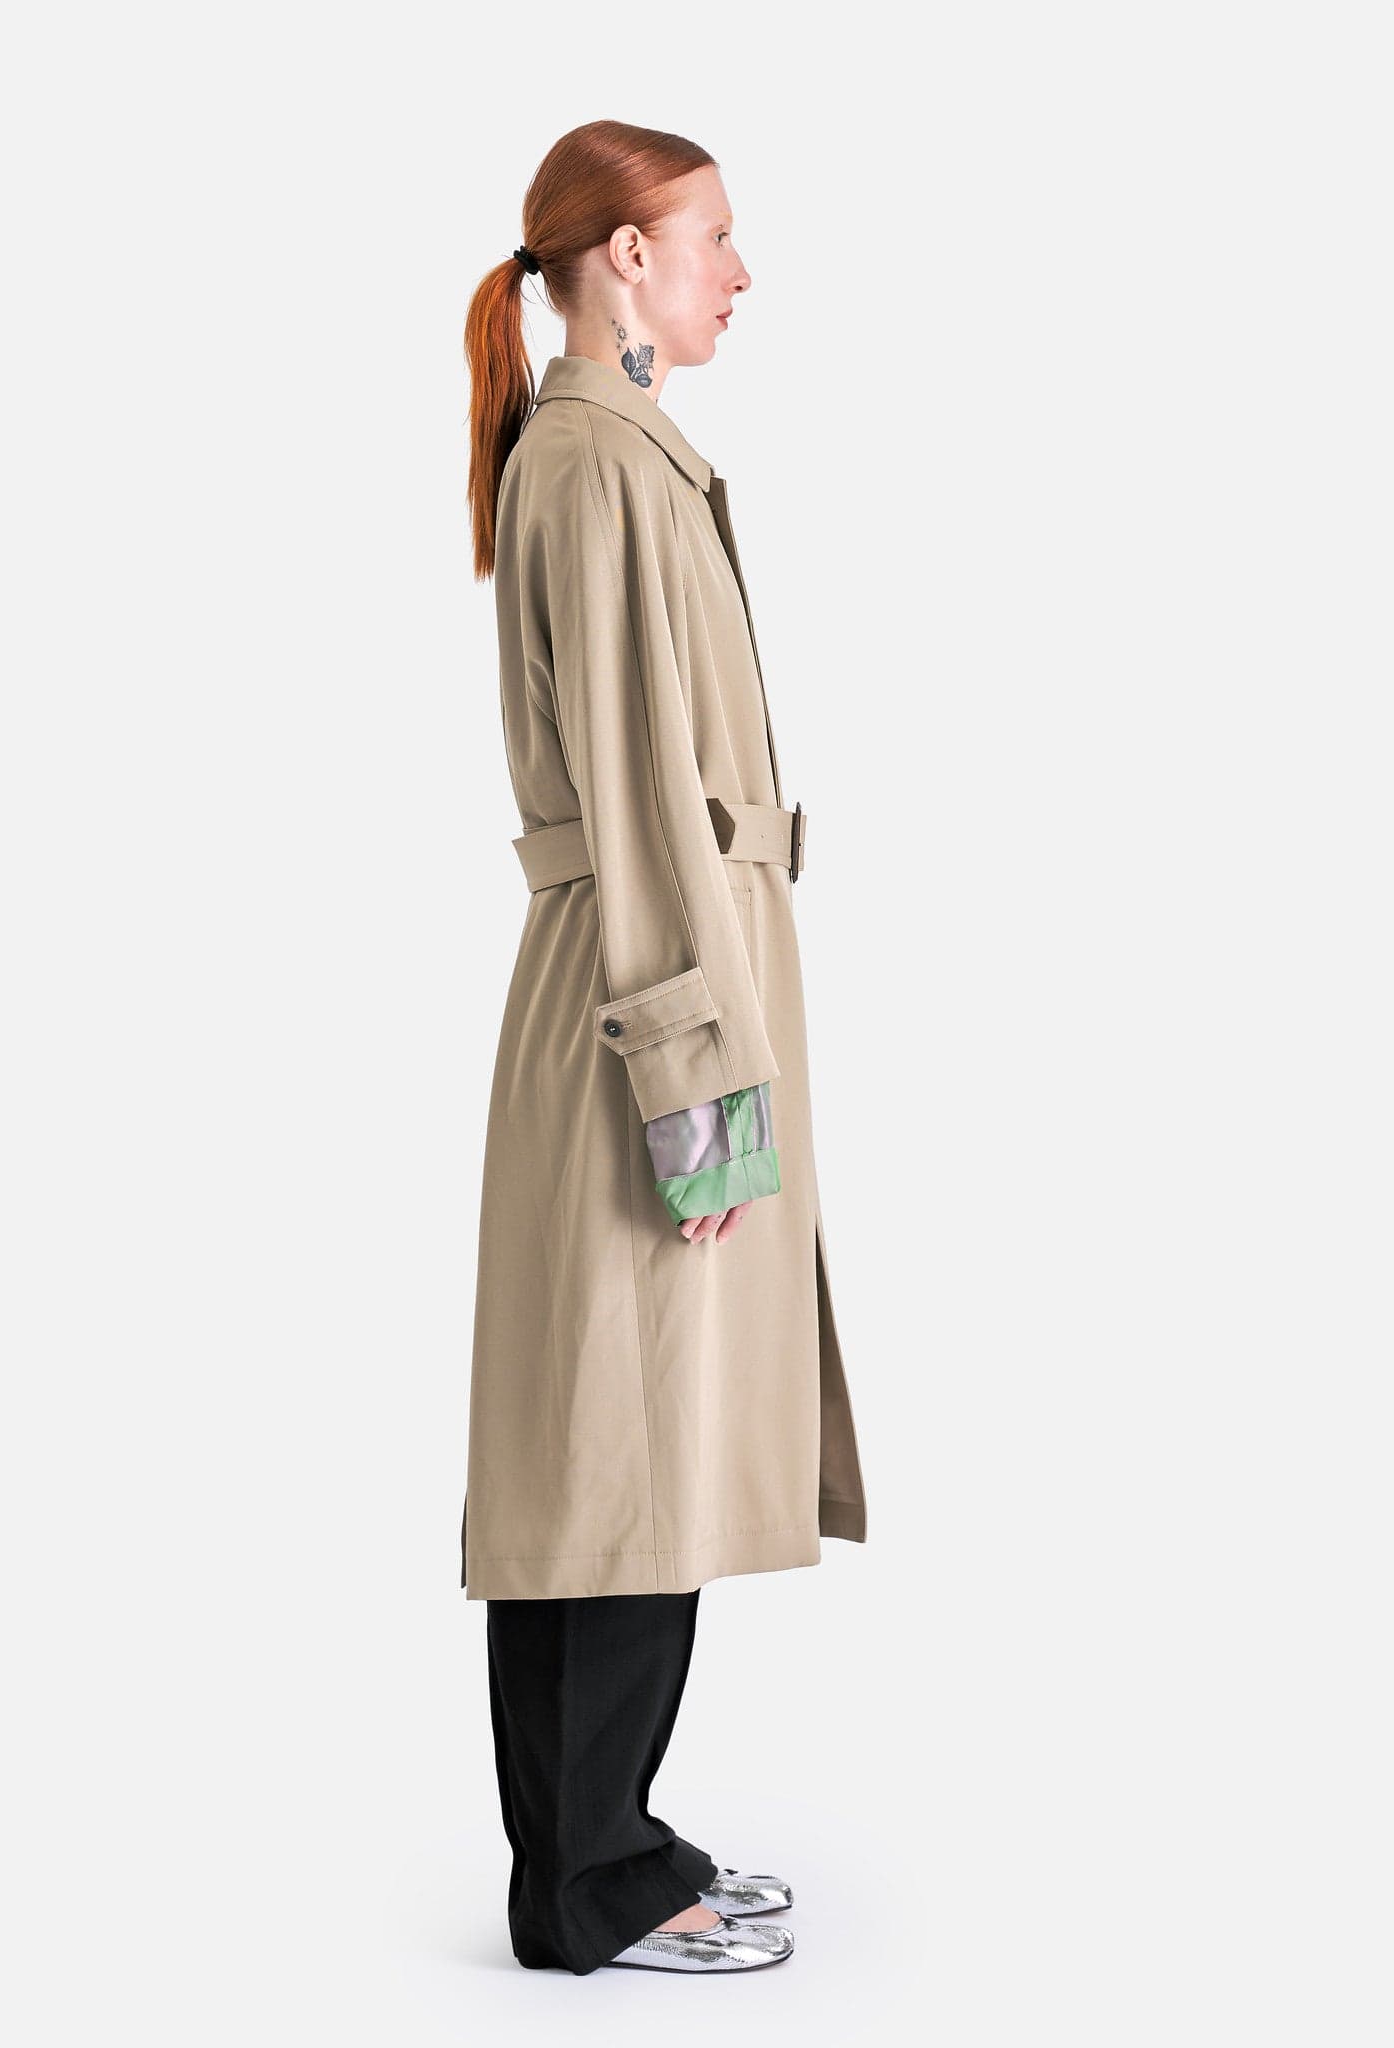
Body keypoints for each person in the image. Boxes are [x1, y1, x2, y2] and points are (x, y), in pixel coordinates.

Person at [460, 118, 868, 1978]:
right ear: (624, 254)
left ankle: (601, 1843)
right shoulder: (597, 463)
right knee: (615, 1451)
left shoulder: (607, 453)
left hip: (652, 984)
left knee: (632, 1440)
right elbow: (640, 797)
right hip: (648, 1008)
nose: (737, 271)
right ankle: (589, 1886)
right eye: (711, 235)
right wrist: (696, 1090)